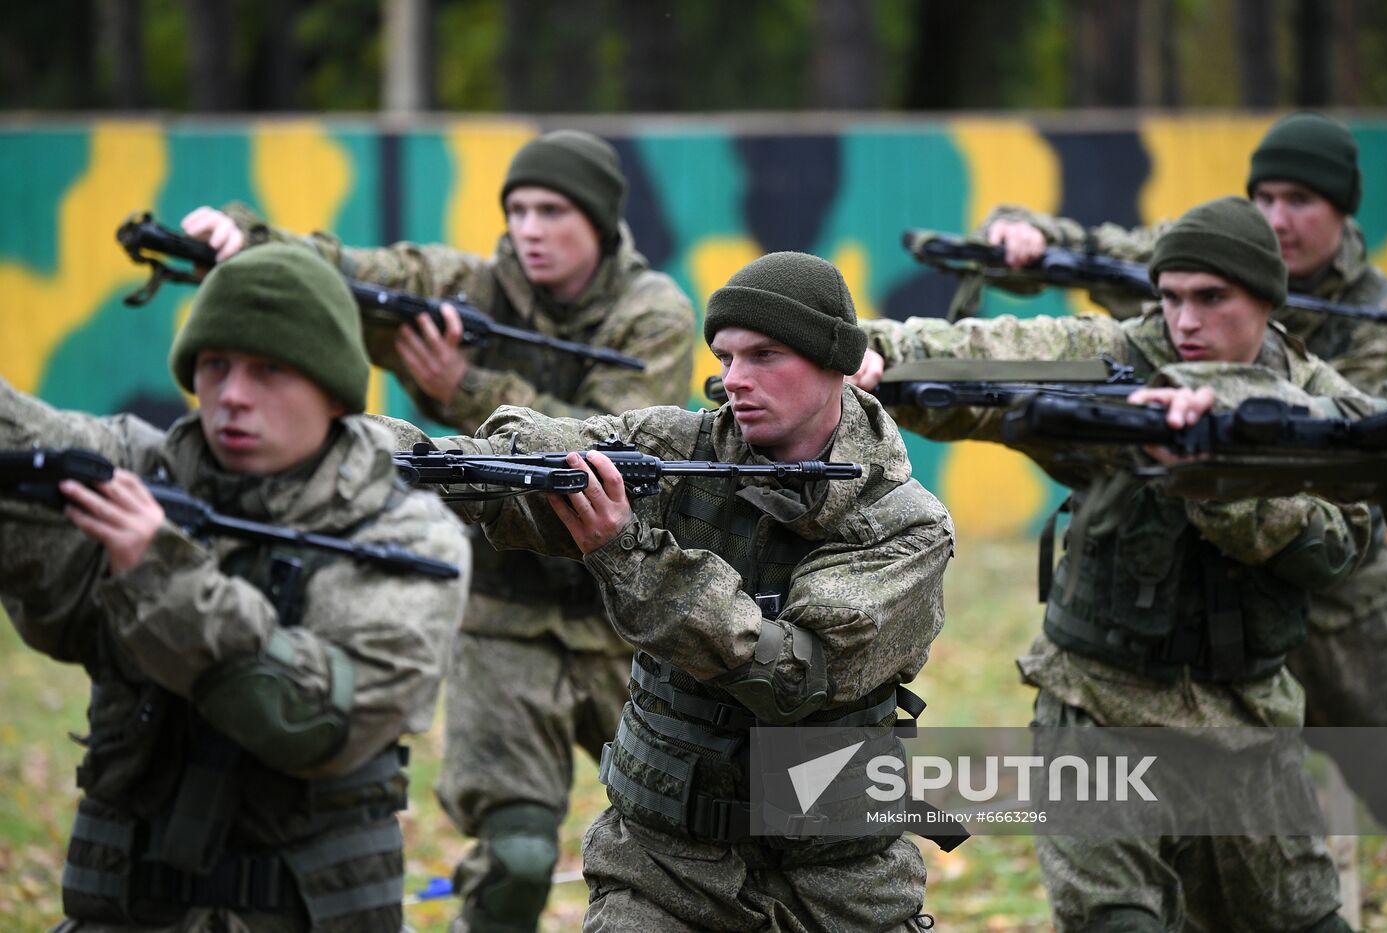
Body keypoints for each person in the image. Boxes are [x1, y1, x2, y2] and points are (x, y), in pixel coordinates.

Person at [181, 129, 694, 931]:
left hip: (621, 609)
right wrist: (245, 243)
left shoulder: (653, 313)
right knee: (520, 858)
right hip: (503, 619)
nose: (529, 227)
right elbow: (352, 276)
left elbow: (604, 447)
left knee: (717, 822)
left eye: (552, 209)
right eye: (517, 207)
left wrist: (466, 388)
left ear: (598, 221)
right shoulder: (466, 288)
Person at [379, 252, 954, 932]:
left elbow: (794, 675)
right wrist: (362, 452)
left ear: (834, 361)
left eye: (764, 354)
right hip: (660, 870)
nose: (734, 379)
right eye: (725, 356)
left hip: (838, 884)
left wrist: (628, 553)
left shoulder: (906, 525)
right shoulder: (674, 449)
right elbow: (526, 461)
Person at [854, 197, 1368, 931]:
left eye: (1211, 298)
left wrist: (1213, 478)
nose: (1185, 320)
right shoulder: (1116, 357)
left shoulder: (1321, 403)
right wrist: (874, 350)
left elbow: (1338, 543)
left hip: (1248, 723)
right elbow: (989, 352)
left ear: (1264, 300)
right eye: (1171, 297)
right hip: (1099, 704)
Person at [0, 244, 469, 931]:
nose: (232, 396)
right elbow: (25, 439)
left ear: (333, 389)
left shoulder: (408, 538)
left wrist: (158, 572)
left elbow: (314, 718)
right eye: (214, 366)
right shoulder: (144, 473)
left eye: (269, 370)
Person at [976, 112, 1387, 857]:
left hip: (1339, 602)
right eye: (1264, 196)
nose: (1278, 217)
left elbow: (1353, 452)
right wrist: (1023, 233)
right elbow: (1104, 253)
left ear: (1342, 209)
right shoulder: (1213, 258)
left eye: (1300, 198)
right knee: (1231, 839)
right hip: (1209, 605)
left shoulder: (1380, 319)